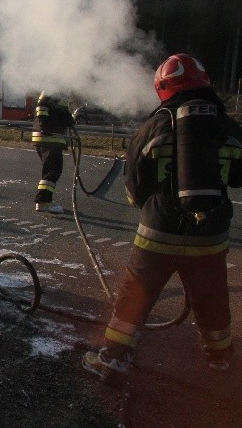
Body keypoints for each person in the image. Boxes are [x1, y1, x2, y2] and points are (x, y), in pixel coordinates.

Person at [83, 54, 242, 383]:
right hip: (211, 234)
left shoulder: (154, 126)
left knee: (137, 292)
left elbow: (135, 186)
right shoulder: (228, 127)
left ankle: (114, 359)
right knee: (212, 295)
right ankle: (220, 358)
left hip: (158, 233)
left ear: (163, 88)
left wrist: (147, 204)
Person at [32, 91, 74, 213]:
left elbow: (60, 115)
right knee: (52, 171)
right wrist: (44, 126)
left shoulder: (60, 94)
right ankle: (43, 202)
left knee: (50, 171)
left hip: (52, 139)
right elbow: (41, 108)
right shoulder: (52, 90)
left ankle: (44, 200)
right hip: (50, 139)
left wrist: (69, 120)